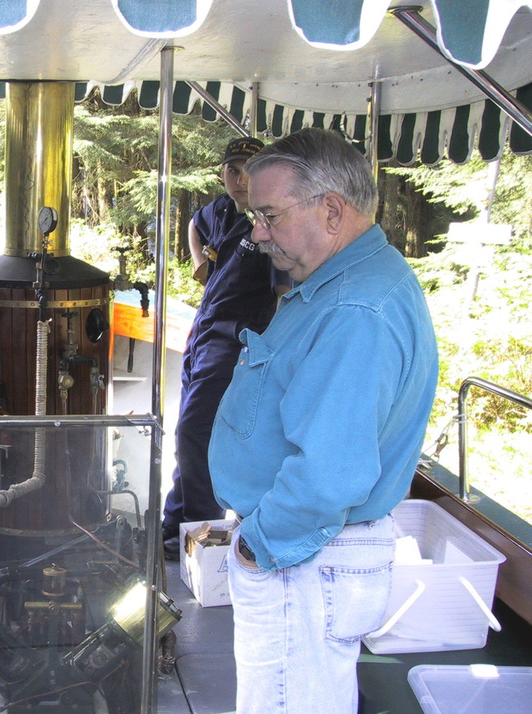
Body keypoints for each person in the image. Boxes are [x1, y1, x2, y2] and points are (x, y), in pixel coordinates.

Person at [208, 128, 438, 713]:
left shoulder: (357, 310)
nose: (256, 234)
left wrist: (255, 548)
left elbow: (329, 475)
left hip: (303, 560)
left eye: (269, 215)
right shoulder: (337, 284)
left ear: (332, 210)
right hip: (301, 555)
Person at [162, 136, 290, 558]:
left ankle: (199, 531)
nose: (240, 179)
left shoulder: (270, 224)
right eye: (233, 170)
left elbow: (284, 293)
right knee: (186, 430)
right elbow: (193, 223)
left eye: (250, 171)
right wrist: (199, 259)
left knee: (197, 432)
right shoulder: (219, 210)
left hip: (234, 341)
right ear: (222, 173)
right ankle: (175, 523)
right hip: (203, 330)